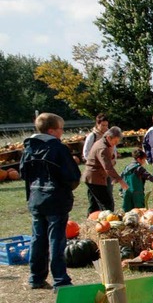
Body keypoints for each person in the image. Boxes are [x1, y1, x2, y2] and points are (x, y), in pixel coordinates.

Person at [19, 113, 81, 290]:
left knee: (38, 238)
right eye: (61, 129)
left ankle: (36, 277)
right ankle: (61, 280)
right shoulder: (58, 148)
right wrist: (67, 187)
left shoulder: (29, 147)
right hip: (56, 199)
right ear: (52, 130)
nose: (62, 133)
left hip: (36, 198)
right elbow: (72, 176)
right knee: (56, 240)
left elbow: (24, 173)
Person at [83, 126, 128, 215]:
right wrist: (120, 180)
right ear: (108, 138)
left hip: (93, 177)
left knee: (95, 204)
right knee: (107, 204)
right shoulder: (102, 148)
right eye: (115, 141)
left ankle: (92, 223)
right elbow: (108, 167)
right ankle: (106, 224)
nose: (115, 144)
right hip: (94, 178)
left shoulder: (103, 143)